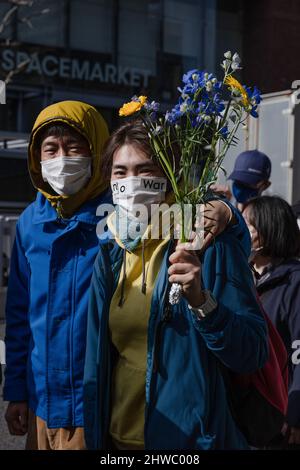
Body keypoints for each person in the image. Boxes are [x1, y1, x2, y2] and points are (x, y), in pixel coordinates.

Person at [83, 120, 268, 450]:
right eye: (120, 172)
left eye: (145, 169)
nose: (132, 183)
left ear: (167, 173)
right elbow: (98, 363)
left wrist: (202, 303)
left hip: (188, 444)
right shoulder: (110, 251)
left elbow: (252, 352)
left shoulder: (203, 242)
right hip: (117, 442)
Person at [3, 100, 111, 450]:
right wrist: (16, 390)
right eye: (51, 148)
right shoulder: (29, 224)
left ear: (97, 152)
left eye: (74, 147)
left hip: (97, 407)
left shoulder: (122, 220)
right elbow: (19, 316)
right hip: (40, 404)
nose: (62, 158)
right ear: (37, 157)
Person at [243, 196, 300, 447]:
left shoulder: (294, 282)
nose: (240, 232)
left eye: (247, 225)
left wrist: (296, 414)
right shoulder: (246, 279)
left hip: (282, 421)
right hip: (253, 415)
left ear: (269, 230)